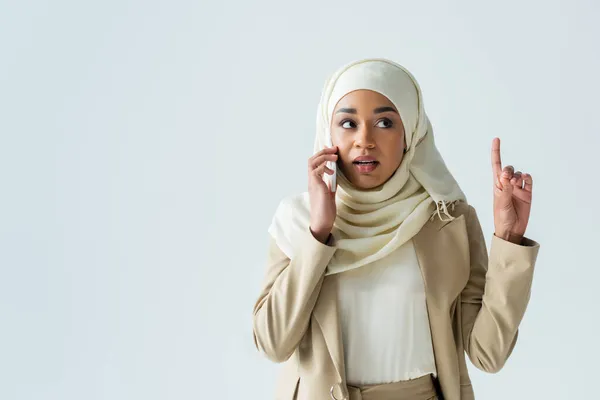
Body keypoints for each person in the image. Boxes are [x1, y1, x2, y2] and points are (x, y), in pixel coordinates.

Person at [252, 58, 540, 400]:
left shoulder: (447, 220)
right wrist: (318, 233)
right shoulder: (297, 219)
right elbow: (272, 344)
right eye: (348, 123)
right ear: (328, 134)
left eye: (385, 122)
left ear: (411, 134)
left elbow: (487, 354)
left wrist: (509, 239)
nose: (365, 140)